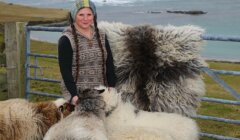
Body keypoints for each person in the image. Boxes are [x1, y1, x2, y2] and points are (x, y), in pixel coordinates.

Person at [58, 0, 116, 105]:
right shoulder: (66, 39)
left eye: (89, 14)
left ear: (94, 15)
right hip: (79, 95)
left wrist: (111, 87)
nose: (85, 18)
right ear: (74, 15)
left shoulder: (101, 35)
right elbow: (65, 71)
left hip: (101, 92)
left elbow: (109, 63)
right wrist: (74, 95)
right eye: (81, 15)